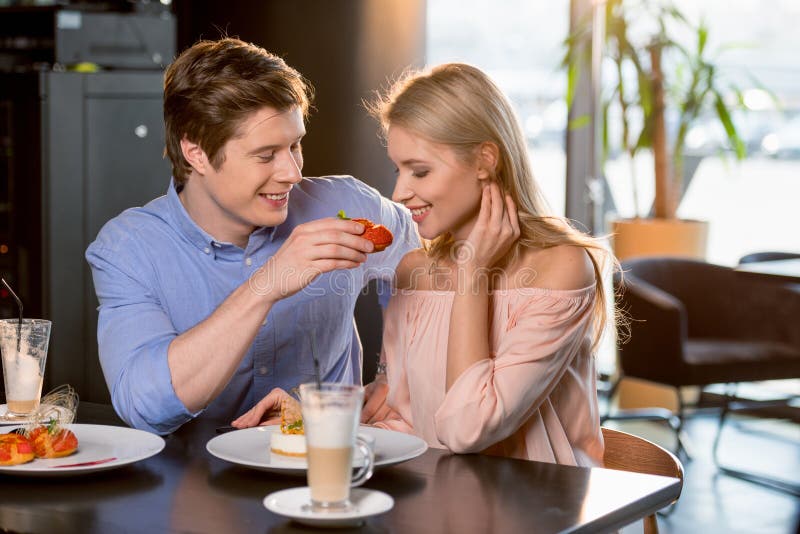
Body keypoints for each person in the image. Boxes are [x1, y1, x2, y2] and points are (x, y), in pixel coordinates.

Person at [85, 38, 418, 435]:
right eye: (266, 155)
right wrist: (266, 285)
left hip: (330, 473)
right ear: (197, 153)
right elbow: (145, 407)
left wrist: (394, 372)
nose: (292, 172)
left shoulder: (345, 202)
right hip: (196, 486)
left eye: (296, 145)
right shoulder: (128, 249)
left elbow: (431, 264)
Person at [367, 63, 614, 466]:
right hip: (438, 508)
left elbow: (468, 431)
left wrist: (473, 274)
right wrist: (311, 422)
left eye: (421, 171)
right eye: (399, 169)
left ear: (485, 161)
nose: (399, 192)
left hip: (543, 514)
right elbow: (404, 420)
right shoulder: (413, 272)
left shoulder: (562, 268)